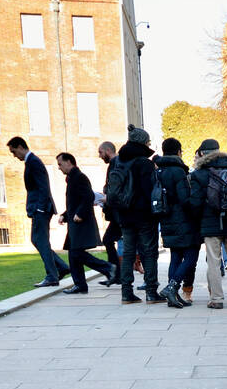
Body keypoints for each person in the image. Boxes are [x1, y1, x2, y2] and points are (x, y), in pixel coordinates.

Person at [188, 139, 227, 309]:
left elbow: (196, 202)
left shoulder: (199, 174)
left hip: (210, 223)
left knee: (213, 262)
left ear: (202, 154)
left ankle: (217, 299)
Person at [6, 136, 68, 286]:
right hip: (39, 208)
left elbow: (43, 187)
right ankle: (62, 267)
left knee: (40, 240)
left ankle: (52, 276)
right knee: (37, 240)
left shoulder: (33, 161)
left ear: (21, 147)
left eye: (14, 152)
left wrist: (40, 208)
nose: (14, 156)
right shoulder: (31, 162)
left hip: (41, 209)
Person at [116, 125, 164, 304]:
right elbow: (149, 190)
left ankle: (126, 293)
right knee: (149, 252)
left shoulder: (118, 161)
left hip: (124, 214)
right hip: (144, 214)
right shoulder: (144, 163)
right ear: (143, 142)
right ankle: (151, 291)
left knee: (128, 253)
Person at [55, 153, 115, 294]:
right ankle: (80, 285)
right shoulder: (72, 178)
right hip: (75, 222)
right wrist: (64, 215)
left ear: (69, 162)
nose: (59, 167)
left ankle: (108, 268)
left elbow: (88, 197)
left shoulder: (79, 177)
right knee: (73, 253)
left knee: (76, 254)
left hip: (81, 222)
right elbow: (75, 202)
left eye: (60, 164)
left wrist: (80, 214)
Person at [154, 137, 199, 308]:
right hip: (182, 220)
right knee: (190, 256)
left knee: (175, 256)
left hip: (166, 219)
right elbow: (184, 199)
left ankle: (173, 295)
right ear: (179, 151)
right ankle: (172, 288)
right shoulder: (178, 171)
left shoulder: (158, 171)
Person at [97, 141, 121, 286]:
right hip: (116, 212)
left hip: (118, 213)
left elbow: (115, 185)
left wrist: (107, 195)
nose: (99, 156)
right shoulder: (114, 163)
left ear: (107, 150)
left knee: (108, 240)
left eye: (100, 152)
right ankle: (116, 274)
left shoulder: (115, 163)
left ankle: (115, 273)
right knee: (109, 240)